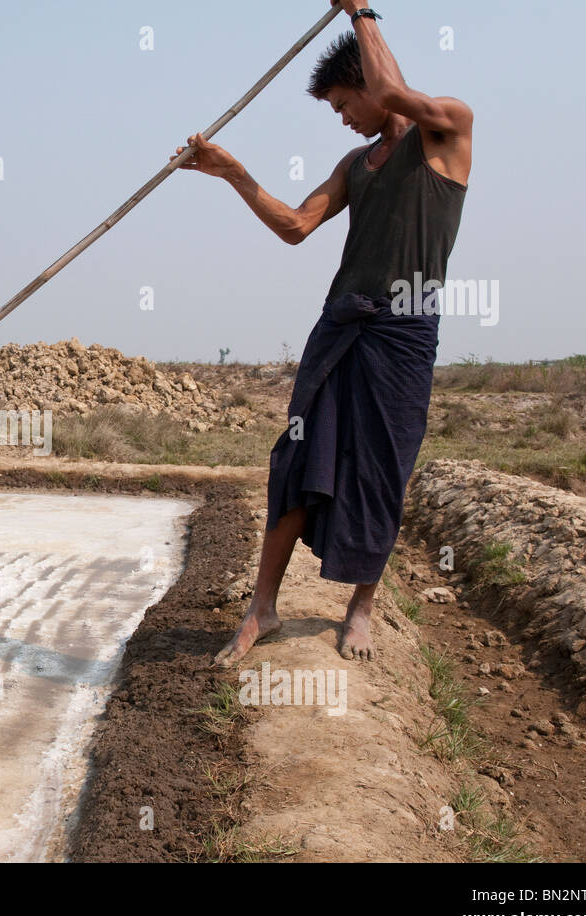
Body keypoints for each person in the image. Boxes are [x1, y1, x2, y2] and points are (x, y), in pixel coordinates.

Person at [171, 0, 473, 665]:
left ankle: (361, 606)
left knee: (382, 469)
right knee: (298, 460)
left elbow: (395, 91)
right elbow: (295, 227)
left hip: (403, 332)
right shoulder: (354, 165)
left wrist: (361, 9)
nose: (342, 117)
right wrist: (233, 175)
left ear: (367, 84)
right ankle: (263, 608)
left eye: (343, 103)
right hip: (341, 325)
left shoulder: (449, 128)